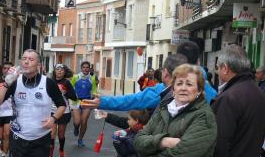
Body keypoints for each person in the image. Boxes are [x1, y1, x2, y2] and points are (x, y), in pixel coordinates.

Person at [83, 42, 217, 111]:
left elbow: (133, 100)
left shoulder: (162, 91)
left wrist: (104, 102)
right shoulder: (212, 91)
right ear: (198, 62)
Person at [51, 64, 77, 157]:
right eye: (57, 69)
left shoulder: (66, 83)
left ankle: (61, 150)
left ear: (64, 72)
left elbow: (74, 97)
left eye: (61, 70)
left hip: (64, 111)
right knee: (52, 134)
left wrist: (64, 92)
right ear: (54, 71)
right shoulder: (50, 82)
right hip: (52, 110)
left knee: (61, 134)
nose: (59, 71)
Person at [71, 61, 98, 147]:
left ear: (89, 68)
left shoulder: (92, 78)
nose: (86, 69)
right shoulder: (75, 77)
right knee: (77, 122)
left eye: (87, 67)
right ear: (81, 68)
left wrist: (95, 96)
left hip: (87, 101)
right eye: (84, 67)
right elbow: (70, 88)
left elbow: (94, 90)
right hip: (76, 101)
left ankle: (80, 139)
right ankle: (76, 127)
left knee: (84, 121)